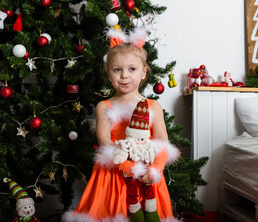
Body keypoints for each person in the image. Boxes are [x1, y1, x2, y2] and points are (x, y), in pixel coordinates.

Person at [62, 41, 179, 222]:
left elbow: (162, 142)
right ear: (109, 75)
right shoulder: (104, 106)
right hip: (113, 174)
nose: (124, 75)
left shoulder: (154, 106)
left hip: (147, 173)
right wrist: (130, 168)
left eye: (132, 69)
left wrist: (155, 170)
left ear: (144, 73)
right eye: (117, 70)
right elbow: (105, 142)